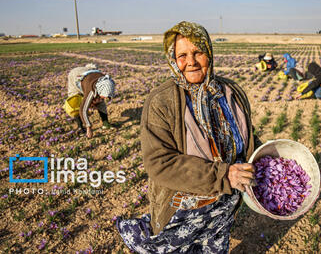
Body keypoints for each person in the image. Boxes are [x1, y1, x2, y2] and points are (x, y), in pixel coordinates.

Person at [116, 21, 256, 253]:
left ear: (209, 53)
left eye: (198, 52)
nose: (190, 61)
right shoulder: (162, 101)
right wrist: (223, 174)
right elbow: (160, 163)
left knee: (213, 246)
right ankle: (136, 232)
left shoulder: (231, 92)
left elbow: (247, 136)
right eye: (182, 55)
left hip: (227, 200)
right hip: (186, 205)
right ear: (172, 59)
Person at [67, 63, 115, 138]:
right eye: (104, 96)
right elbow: (82, 110)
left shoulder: (107, 82)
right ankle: (80, 127)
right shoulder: (91, 91)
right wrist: (89, 128)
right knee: (75, 101)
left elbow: (104, 96)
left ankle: (106, 124)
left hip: (89, 74)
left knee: (101, 102)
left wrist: (97, 101)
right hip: (75, 76)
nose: (105, 98)